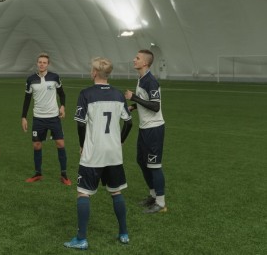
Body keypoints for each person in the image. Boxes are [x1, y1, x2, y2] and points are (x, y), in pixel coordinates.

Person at [64, 57, 133, 250]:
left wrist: (81, 145)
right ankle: (124, 233)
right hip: (113, 152)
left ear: (94, 72)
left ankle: (81, 238)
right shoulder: (119, 94)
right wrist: (120, 141)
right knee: (116, 191)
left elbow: (80, 122)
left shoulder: (86, 94)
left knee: (83, 193)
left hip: (94, 151)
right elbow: (129, 122)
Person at [125, 49, 168, 214]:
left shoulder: (150, 81)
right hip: (144, 128)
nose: (134, 60)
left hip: (154, 129)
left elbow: (156, 106)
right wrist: (134, 107)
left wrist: (134, 97)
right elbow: (147, 101)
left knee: (154, 165)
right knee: (142, 161)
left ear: (145, 63)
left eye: (137, 58)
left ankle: (161, 202)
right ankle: (153, 195)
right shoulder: (141, 78)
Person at [21, 53, 70, 185]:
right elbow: (27, 99)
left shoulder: (55, 77)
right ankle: (38, 173)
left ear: (48, 64)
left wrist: (63, 107)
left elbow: (62, 93)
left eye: (44, 62)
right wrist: (24, 117)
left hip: (54, 117)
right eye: (40, 62)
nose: (42, 64)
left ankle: (64, 174)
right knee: (36, 145)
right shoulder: (30, 79)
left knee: (60, 144)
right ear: (37, 63)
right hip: (38, 118)